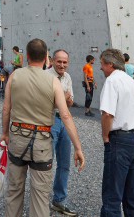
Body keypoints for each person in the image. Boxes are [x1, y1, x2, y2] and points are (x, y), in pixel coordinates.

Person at [3, 40, 85, 217]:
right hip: (41, 141)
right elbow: (65, 115)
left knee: (14, 190)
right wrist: (78, 147)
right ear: (47, 57)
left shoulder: (15, 76)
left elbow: (6, 109)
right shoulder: (53, 81)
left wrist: (4, 133)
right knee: (40, 194)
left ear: (27, 55)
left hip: (17, 136)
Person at [99, 48, 134, 217]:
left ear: (110, 64)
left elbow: (107, 114)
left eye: (102, 64)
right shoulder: (132, 82)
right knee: (132, 193)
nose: (101, 68)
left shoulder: (112, 81)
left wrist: (105, 137)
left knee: (112, 193)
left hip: (120, 139)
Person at [46, 49, 82, 216]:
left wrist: (65, 99)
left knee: (64, 164)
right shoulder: (46, 76)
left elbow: (70, 102)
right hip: (50, 120)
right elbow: (45, 102)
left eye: (65, 62)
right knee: (46, 163)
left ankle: (59, 200)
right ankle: (41, 201)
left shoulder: (67, 77)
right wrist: (62, 98)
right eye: (59, 61)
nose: (62, 65)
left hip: (65, 121)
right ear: (52, 61)